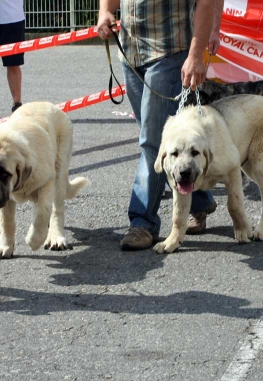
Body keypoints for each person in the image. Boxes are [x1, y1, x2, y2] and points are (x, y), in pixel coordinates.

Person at [97, 0, 222, 251]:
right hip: (130, 52)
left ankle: (143, 222)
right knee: (151, 136)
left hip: (169, 53)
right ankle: (199, 200)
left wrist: (196, 55)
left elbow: (206, 3)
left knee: (152, 142)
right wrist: (105, 12)